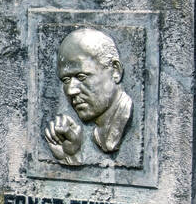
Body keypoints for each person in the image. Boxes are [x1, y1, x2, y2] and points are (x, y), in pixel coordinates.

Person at [44, 28, 133, 166]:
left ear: (115, 71)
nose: (70, 90)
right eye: (66, 80)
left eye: (81, 76)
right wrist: (70, 156)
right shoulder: (95, 133)